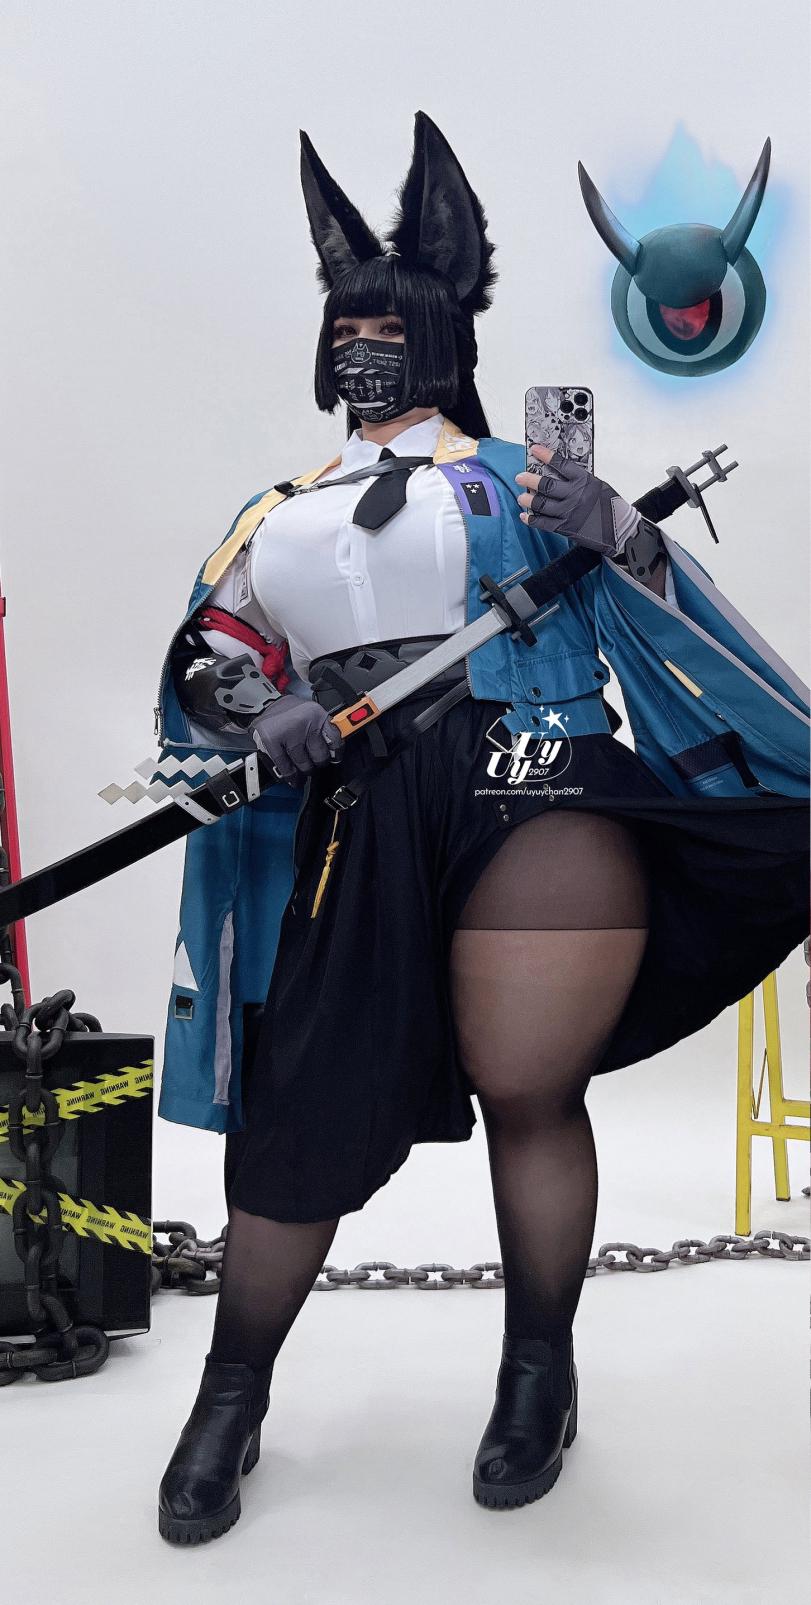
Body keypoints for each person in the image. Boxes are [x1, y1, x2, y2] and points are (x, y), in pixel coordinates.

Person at [156, 112, 809, 1544]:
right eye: (346, 325)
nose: (363, 347)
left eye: (390, 326)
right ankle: (231, 1391)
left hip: (536, 776)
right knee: (301, 1106)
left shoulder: (524, 479)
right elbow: (208, 655)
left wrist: (614, 529)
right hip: (364, 812)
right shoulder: (277, 513)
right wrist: (256, 702)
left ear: (445, 332)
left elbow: (661, 613)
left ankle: (536, 1375)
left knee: (529, 1084)